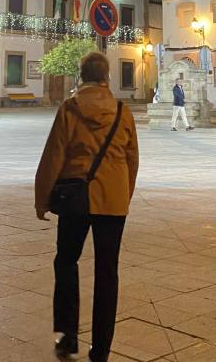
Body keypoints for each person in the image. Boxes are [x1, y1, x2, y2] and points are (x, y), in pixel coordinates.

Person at [35, 52, 139, 362]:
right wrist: (123, 195)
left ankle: (66, 341)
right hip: (113, 201)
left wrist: (42, 198)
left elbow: (54, 155)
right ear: (107, 77)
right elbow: (132, 160)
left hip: (75, 200)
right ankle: (101, 351)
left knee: (66, 262)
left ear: (81, 76)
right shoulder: (123, 111)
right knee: (107, 273)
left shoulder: (70, 109)